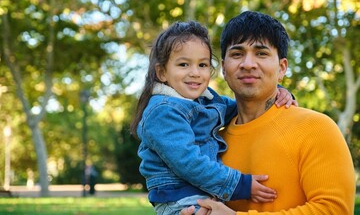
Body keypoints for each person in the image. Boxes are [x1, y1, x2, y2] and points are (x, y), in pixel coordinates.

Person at [180, 11, 356, 215]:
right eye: (237, 54)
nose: (248, 64)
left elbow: (335, 210)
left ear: (282, 68)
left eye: (261, 53)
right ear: (224, 69)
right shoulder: (213, 143)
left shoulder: (316, 128)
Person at [130, 20, 296, 215]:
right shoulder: (163, 111)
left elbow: (244, 107)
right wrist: (239, 184)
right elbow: (188, 161)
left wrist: (279, 93)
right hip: (180, 200)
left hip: (201, 194)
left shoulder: (206, 101)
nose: (195, 73)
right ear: (162, 72)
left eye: (203, 65)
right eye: (183, 64)